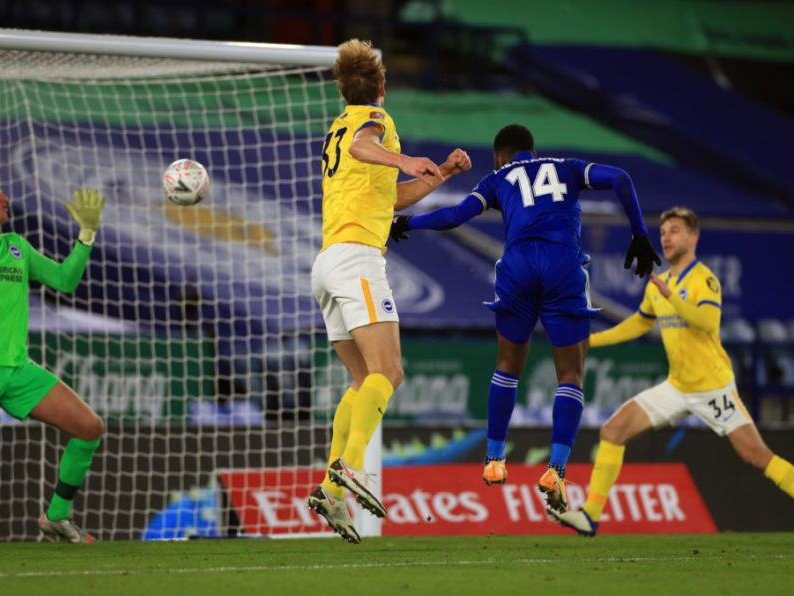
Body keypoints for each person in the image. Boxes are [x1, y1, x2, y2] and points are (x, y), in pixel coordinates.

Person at [390, 124, 659, 512]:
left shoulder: (497, 178)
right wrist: (639, 234)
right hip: (562, 264)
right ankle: (556, 470)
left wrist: (407, 223)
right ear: (532, 151)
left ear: (500, 156)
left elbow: (453, 215)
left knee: (507, 367)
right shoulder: (567, 167)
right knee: (570, 374)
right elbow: (621, 177)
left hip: (517, 266)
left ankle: (496, 460)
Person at [307, 39, 472, 543]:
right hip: (357, 258)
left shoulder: (335, 128)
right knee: (390, 371)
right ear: (382, 87)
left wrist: (439, 173)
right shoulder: (372, 121)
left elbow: (390, 200)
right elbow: (366, 145)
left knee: (362, 381)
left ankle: (331, 489)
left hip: (328, 263)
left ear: (341, 87)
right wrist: (406, 158)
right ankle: (351, 469)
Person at [550, 206, 794, 536]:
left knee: (756, 455)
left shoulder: (704, 279)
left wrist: (674, 298)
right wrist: (591, 341)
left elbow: (708, 322)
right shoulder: (659, 283)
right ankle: (590, 515)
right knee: (613, 430)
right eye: (663, 232)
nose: (666, 237)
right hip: (677, 387)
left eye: (675, 231)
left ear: (693, 237)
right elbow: (640, 323)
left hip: (713, 387)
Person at [0, 186, 106, 543]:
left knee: (89, 427)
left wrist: (86, 236)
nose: (5, 198)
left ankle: (57, 516)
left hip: (16, 371)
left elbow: (64, 280)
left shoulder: (16, 246)